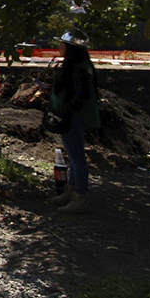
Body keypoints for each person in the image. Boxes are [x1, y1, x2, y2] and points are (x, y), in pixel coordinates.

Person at [49, 29, 99, 214]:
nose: (59, 48)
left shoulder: (77, 70)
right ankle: (71, 190)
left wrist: (64, 111)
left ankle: (80, 196)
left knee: (77, 158)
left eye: (62, 45)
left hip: (72, 117)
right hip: (73, 116)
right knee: (73, 155)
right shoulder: (82, 66)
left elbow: (76, 96)